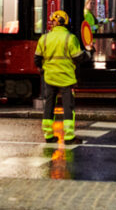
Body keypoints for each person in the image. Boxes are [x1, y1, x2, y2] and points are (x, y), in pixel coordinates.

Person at [35, 9, 84, 142]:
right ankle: (68, 136)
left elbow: (37, 59)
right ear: (65, 22)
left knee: (49, 105)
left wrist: (43, 69)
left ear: (54, 23)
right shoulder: (70, 38)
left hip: (49, 78)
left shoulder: (44, 38)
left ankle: (48, 135)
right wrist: (89, 52)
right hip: (66, 78)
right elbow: (78, 58)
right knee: (68, 106)